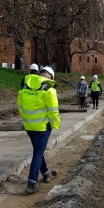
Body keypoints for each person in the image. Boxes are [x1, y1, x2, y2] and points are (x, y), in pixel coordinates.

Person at [18, 66, 60, 194]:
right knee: (38, 153)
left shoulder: (25, 88)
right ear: (51, 77)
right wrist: (55, 124)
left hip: (29, 126)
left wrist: (27, 120)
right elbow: (53, 111)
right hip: (43, 127)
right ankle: (31, 183)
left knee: (38, 151)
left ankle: (46, 173)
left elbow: (20, 106)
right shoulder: (49, 90)